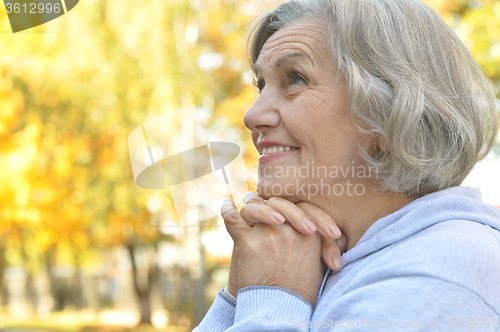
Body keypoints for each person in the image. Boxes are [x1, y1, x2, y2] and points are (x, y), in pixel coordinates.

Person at [194, 0, 500, 330]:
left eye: (295, 79)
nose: (252, 116)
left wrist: (272, 296)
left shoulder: (441, 270)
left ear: (390, 110)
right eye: (261, 86)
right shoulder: (316, 258)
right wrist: (240, 293)